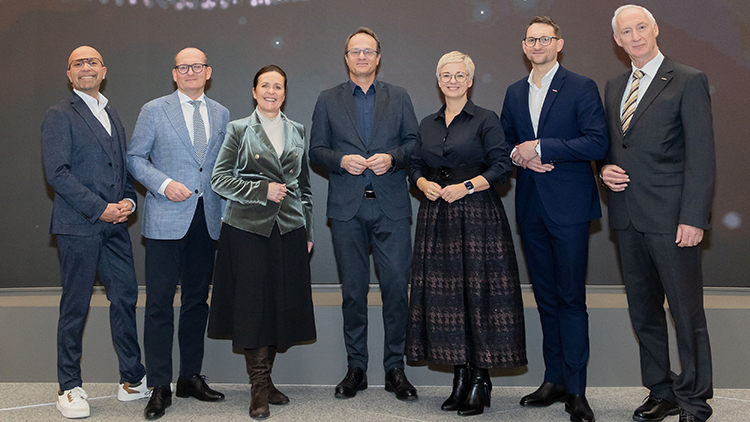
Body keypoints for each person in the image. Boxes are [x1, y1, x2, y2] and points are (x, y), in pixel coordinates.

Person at [600, 5, 716, 422]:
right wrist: (604, 170)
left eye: (641, 27)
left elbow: (701, 158)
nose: (635, 36)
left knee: (686, 313)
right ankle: (661, 391)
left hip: (673, 220)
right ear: (617, 40)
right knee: (643, 312)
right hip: (627, 218)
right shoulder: (614, 86)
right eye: (626, 31)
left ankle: (695, 401)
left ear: (655, 29)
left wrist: (694, 217)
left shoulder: (688, 79)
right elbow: (618, 148)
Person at [405, 51, 527, 417]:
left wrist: (469, 186)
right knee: (447, 303)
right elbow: (413, 164)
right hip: (436, 218)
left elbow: (502, 165)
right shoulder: (427, 123)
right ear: (438, 80)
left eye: (460, 75)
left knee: (479, 297)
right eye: (446, 74)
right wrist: (422, 182)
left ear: (470, 81)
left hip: (477, 217)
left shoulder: (486, 119)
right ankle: (460, 375)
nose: (453, 80)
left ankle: (480, 378)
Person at [500, 16, 608, 422]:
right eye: (531, 39)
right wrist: (520, 155)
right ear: (524, 46)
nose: (538, 45)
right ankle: (554, 379)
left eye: (545, 38)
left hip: (570, 208)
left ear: (558, 44)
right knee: (546, 299)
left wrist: (543, 147)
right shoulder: (514, 92)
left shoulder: (581, 87)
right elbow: (505, 141)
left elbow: (597, 140)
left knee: (570, 299)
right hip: (530, 208)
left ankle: (577, 391)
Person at [309, 26, 419, 402]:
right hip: (346, 210)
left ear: (378, 57)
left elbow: (413, 144)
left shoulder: (399, 97)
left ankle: (395, 369)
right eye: (354, 51)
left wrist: (393, 158)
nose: (361, 57)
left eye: (368, 51)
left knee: (395, 291)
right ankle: (356, 368)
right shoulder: (328, 99)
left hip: (390, 208)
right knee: (353, 293)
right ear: (346, 58)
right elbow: (316, 150)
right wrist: (341, 160)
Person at [41, 45, 149, 419]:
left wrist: (127, 203)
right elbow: (58, 173)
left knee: (124, 298)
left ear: (104, 71)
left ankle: (132, 380)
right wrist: (99, 208)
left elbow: (118, 167)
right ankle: (68, 387)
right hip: (78, 226)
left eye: (92, 62)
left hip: (115, 226)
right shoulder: (59, 114)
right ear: (69, 75)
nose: (85, 68)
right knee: (75, 306)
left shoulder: (110, 112)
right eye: (77, 64)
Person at [207, 65, 316, 419]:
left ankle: (267, 381)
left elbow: (304, 188)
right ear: (254, 92)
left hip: (288, 230)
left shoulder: (297, 130)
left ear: (285, 93)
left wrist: (308, 231)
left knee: (278, 306)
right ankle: (258, 389)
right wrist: (261, 190)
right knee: (253, 309)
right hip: (248, 231)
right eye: (265, 86)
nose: (272, 91)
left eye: (278, 87)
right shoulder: (239, 129)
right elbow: (219, 179)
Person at [127, 47, 230, 420]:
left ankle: (189, 377)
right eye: (183, 67)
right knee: (157, 304)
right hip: (166, 220)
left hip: (208, 220)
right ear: (174, 74)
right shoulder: (154, 110)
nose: (190, 72)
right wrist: (164, 183)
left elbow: (219, 168)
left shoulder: (221, 114)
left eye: (197, 66)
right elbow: (135, 158)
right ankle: (159, 385)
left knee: (196, 303)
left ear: (208, 71)